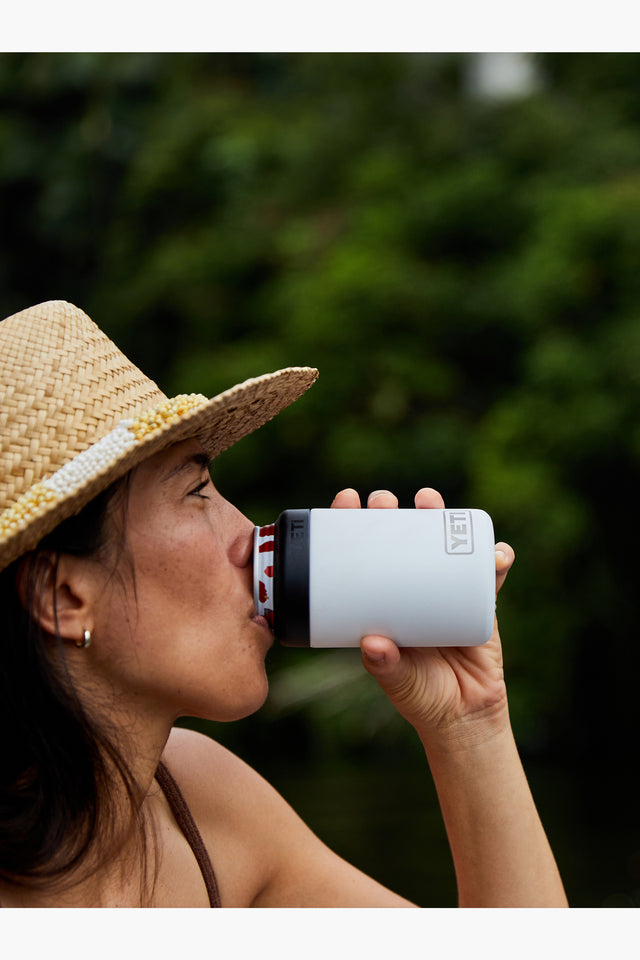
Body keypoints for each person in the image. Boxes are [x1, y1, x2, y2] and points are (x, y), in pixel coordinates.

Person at [0, 300, 567, 908]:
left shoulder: (204, 803)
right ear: (64, 597)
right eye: (196, 490)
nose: (249, 535)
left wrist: (469, 725)